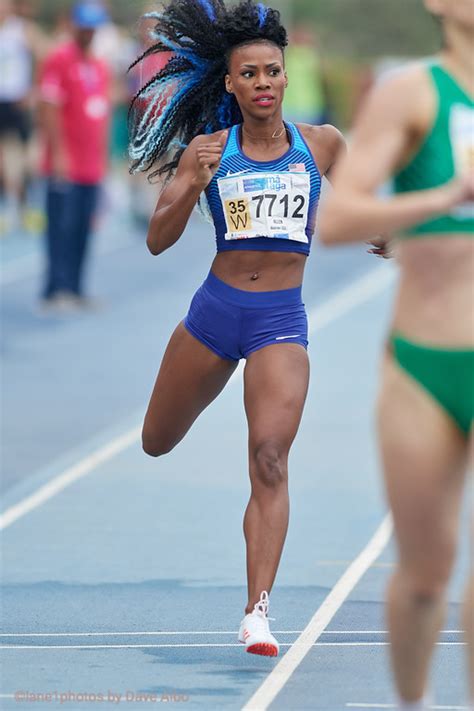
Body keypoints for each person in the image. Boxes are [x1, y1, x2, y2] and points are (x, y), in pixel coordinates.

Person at [128, 0, 346, 656]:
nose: (261, 83)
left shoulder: (321, 145)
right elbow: (156, 242)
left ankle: (257, 611)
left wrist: (387, 231)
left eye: (271, 72)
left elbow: (363, 192)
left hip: (280, 320)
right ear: (229, 83)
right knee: (155, 441)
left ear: (285, 77)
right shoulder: (208, 151)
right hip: (215, 314)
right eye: (247, 73)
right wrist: (191, 184)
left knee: (270, 458)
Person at [318, 0, 473, 707]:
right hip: (425, 365)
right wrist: (444, 195)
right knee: (423, 578)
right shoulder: (413, 93)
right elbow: (340, 218)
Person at [38, 0, 111, 310]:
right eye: (84, 26)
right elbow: (49, 107)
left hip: (91, 165)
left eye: (93, 27)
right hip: (65, 164)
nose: (88, 33)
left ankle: (77, 288)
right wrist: (59, 154)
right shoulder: (58, 60)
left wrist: (103, 159)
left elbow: (101, 115)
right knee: (61, 227)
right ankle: (55, 289)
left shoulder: (99, 67)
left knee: (83, 227)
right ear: (73, 25)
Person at [0, 0, 47, 233]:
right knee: (5, 160)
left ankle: (31, 206)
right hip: (2, 102)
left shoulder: (21, 30)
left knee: (29, 158)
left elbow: (43, 55)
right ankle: (9, 209)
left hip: (19, 101)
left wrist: (33, 89)